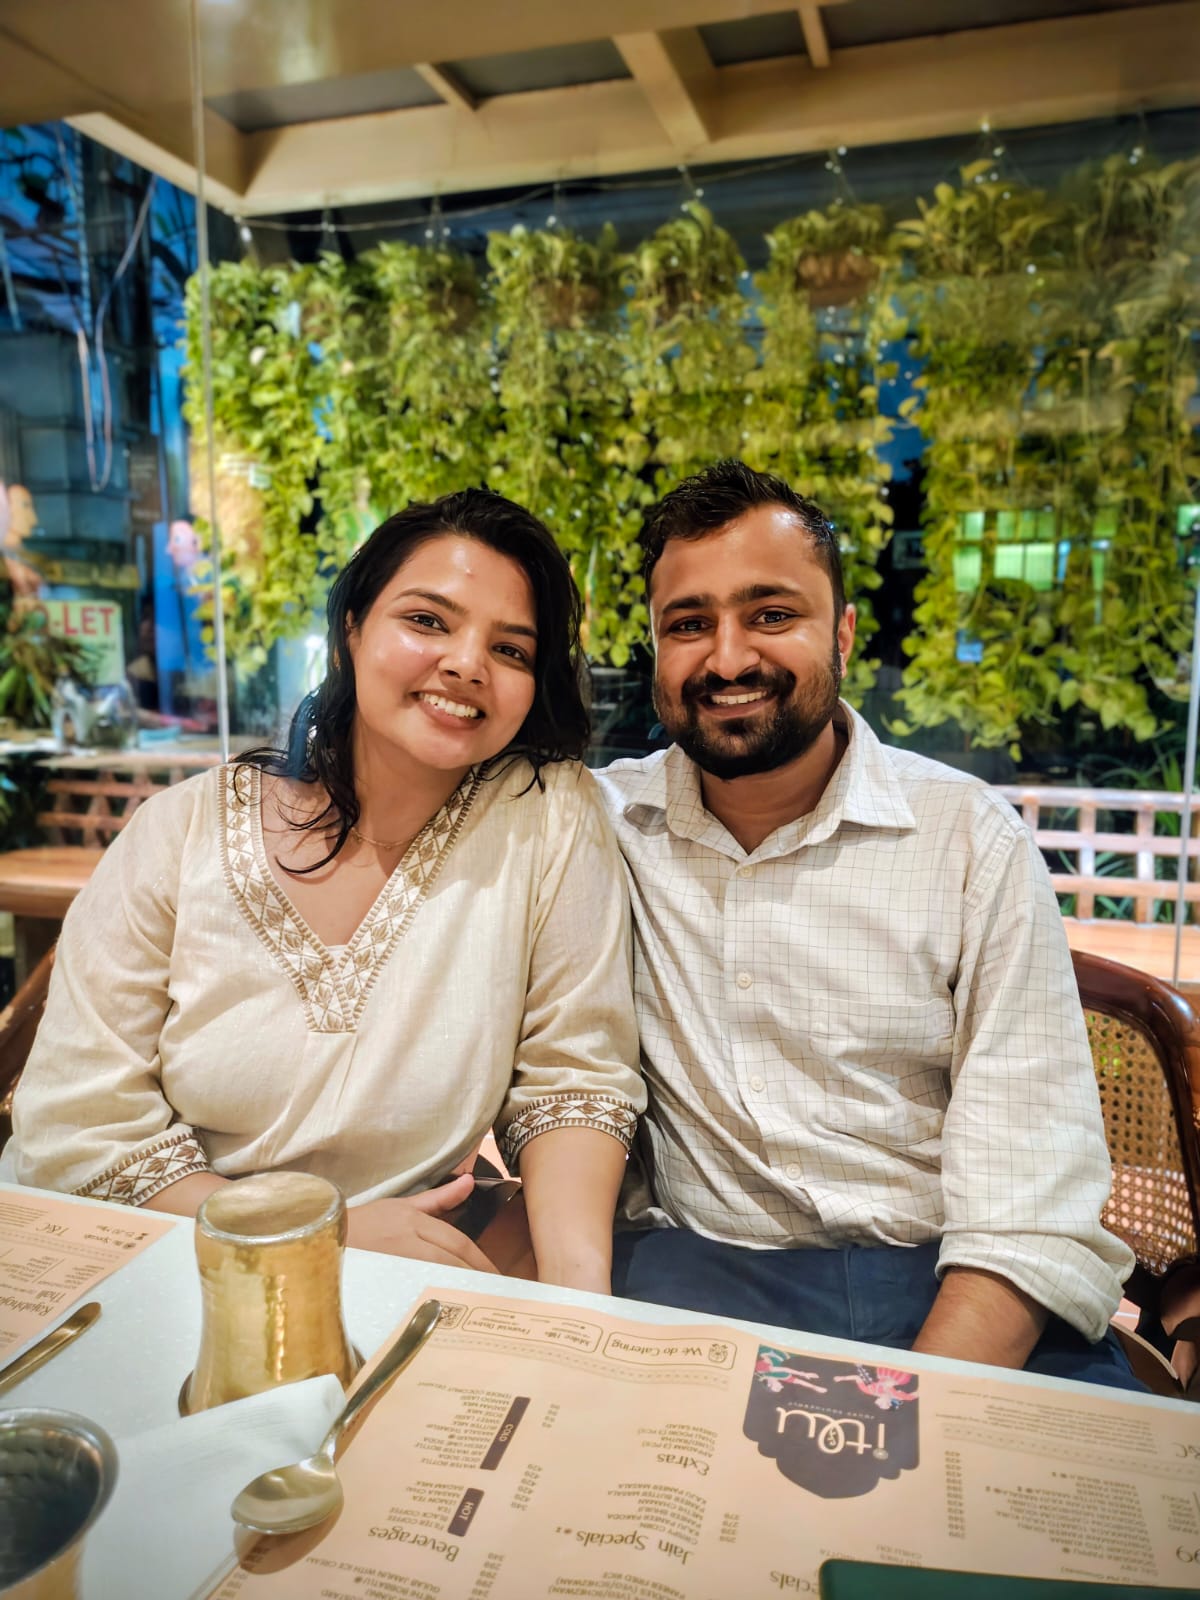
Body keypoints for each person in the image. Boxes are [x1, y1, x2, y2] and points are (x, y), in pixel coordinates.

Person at [9, 488, 644, 1292]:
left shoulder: (546, 816)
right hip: (151, 1265)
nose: (466, 663)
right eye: (428, 620)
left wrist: (578, 1304)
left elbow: (574, 1078)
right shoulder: (179, 831)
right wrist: (319, 1238)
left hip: (407, 1273)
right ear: (351, 631)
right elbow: (76, 1128)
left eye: (511, 649)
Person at [594, 459, 1141, 1390]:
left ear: (842, 633)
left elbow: (1029, 1196)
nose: (727, 659)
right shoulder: (601, 826)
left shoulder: (969, 841)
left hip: (951, 1286)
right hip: (697, 1275)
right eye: (688, 625)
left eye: (772, 614)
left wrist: (907, 1411)